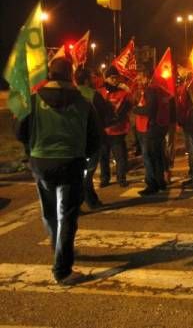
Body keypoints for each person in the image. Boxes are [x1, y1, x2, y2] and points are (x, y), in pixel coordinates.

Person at [16, 58, 101, 285]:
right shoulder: (83, 103)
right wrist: (86, 155)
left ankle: (57, 247)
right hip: (71, 162)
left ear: (50, 74)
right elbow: (95, 137)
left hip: (41, 161)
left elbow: (20, 132)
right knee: (68, 215)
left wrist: (33, 148)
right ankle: (62, 270)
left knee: (49, 211)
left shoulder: (33, 101)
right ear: (71, 74)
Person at [73, 67, 111, 210]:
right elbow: (104, 116)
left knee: (81, 173)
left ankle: (91, 199)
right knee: (87, 173)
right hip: (90, 141)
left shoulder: (70, 94)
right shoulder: (94, 95)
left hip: (73, 140)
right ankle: (85, 201)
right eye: (92, 78)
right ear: (87, 80)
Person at [132, 69, 171, 195]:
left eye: (139, 76)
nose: (137, 79)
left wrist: (135, 109)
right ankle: (161, 182)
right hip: (160, 127)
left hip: (150, 128)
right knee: (158, 156)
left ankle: (152, 184)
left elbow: (149, 110)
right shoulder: (160, 89)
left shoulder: (150, 90)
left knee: (149, 157)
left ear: (145, 76)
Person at [98, 66, 131, 187]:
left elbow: (128, 106)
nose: (115, 80)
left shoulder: (123, 92)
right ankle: (104, 178)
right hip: (104, 131)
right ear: (106, 79)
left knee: (120, 156)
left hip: (118, 130)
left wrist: (128, 92)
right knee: (103, 157)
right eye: (112, 78)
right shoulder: (100, 92)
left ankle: (121, 178)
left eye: (116, 78)